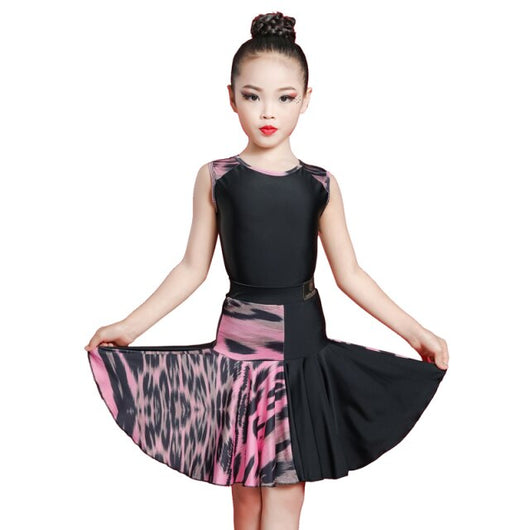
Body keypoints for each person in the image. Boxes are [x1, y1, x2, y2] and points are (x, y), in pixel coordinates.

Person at [84, 11, 449, 530]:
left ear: (306, 99)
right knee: (246, 498)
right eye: (253, 96)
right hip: (237, 353)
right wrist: (128, 327)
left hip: (301, 352)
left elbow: (350, 275)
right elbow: (191, 268)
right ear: (231, 97)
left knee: (284, 495)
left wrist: (417, 333)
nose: (268, 111)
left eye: (285, 97)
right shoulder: (217, 177)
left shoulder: (320, 184)